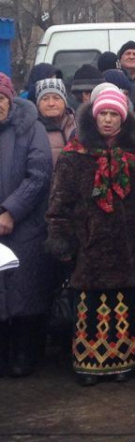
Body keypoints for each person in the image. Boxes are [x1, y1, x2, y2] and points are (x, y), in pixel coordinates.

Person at [45, 87, 135, 386]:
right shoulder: (74, 154)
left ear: (123, 119)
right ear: (93, 117)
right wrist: (60, 236)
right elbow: (60, 200)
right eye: (102, 114)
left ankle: (125, 361)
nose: (107, 120)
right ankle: (90, 362)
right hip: (88, 242)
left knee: (125, 302)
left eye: (113, 115)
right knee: (90, 304)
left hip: (126, 242)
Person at [0, 73, 54, 378]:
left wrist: (10, 212)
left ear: (10, 100)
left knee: (24, 292)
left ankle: (24, 353)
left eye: (1, 99)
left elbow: (39, 174)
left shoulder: (30, 129)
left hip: (24, 227)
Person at [35, 78, 76, 167]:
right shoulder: (32, 130)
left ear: (65, 102)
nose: (51, 103)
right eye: (45, 99)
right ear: (38, 105)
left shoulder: (77, 125)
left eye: (56, 98)